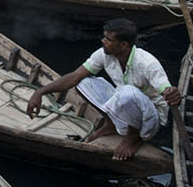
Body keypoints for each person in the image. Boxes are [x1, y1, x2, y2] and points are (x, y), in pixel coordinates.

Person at [26, 18, 181, 162]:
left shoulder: (147, 63)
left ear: (123, 45)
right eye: (104, 37)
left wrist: (172, 93)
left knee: (128, 92)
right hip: (126, 105)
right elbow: (74, 77)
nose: (103, 41)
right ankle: (111, 124)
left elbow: (166, 90)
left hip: (149, 121)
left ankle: (133, 138)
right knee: (82, 82)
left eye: (108, 39)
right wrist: (40, 92)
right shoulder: (104, 54)